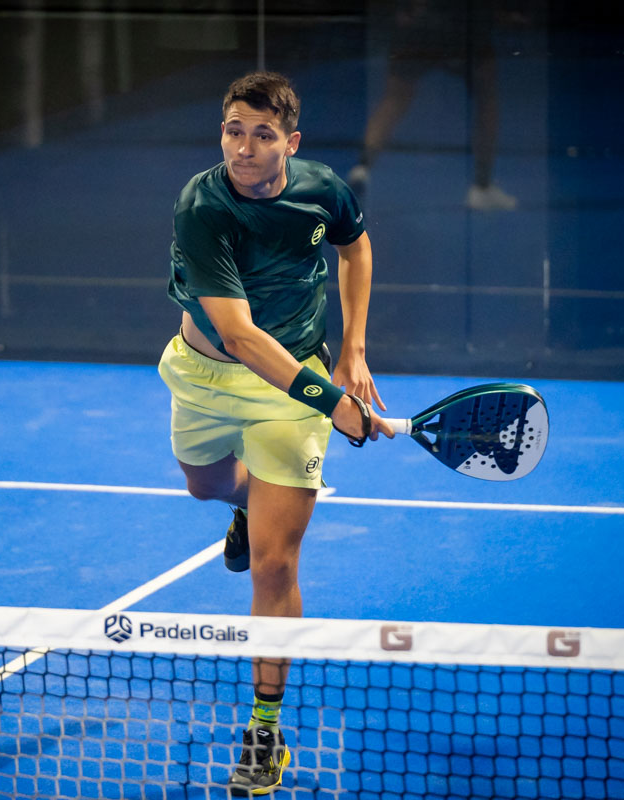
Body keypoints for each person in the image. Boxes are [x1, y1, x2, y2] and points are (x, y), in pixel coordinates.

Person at [157, 72, 395, 795]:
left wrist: (352, 351)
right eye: (234, 131)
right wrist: (335, 402)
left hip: (292, 389)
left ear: (290, 142)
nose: (244, 147)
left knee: (273, 565)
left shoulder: (321, 189)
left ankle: (264, 729)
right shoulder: (203, 204)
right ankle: (244, 503)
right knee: (204, 486)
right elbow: (238, 334)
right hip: (208, 375)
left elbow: (356, 247)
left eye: (262, 135)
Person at [347, 0, 518, 212]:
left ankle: (363, 167)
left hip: (418, 22)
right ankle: (482, 187)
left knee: (394, 99)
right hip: (462, 25)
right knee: (487, 97)